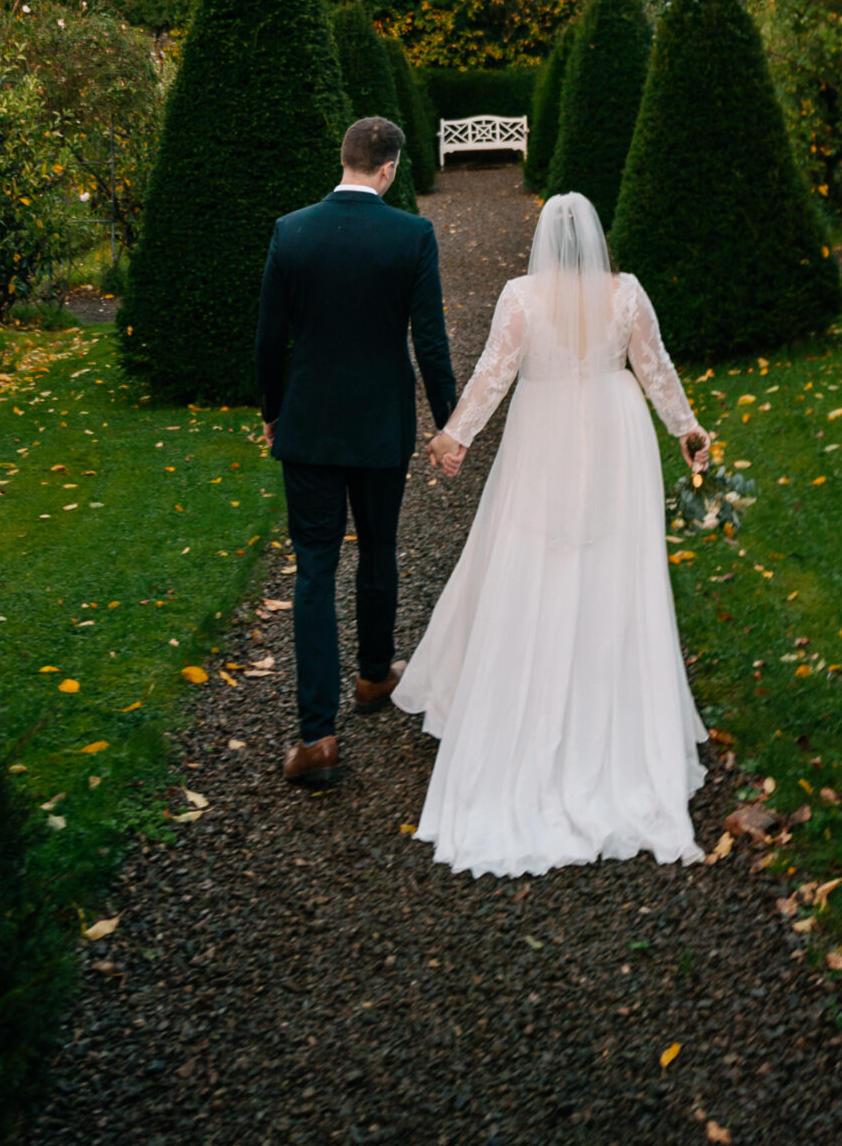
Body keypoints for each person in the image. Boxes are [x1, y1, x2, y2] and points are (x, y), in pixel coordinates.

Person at [393, 191, 712, 876]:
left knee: (537, 550)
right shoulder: (625, 292)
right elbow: (654, 368)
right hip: (614, 426)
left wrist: (454, 435)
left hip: (543, 428)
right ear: (595, 240)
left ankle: (530, 695)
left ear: (543, 241)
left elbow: (492, 373)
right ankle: (613, 699)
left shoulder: (519, 296)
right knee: (611, 556)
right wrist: (685, 428)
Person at [256, 113, 456, 789]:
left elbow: (267, 340)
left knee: (313, 571)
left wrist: (272, 413)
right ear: (389, 168)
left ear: (343, 159)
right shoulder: (410, 234)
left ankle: (317, 739)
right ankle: (373, 677)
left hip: (308, 425)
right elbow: (429, 340)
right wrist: (449, 421)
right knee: (377, 547)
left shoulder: (292, 231)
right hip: (379, 423)